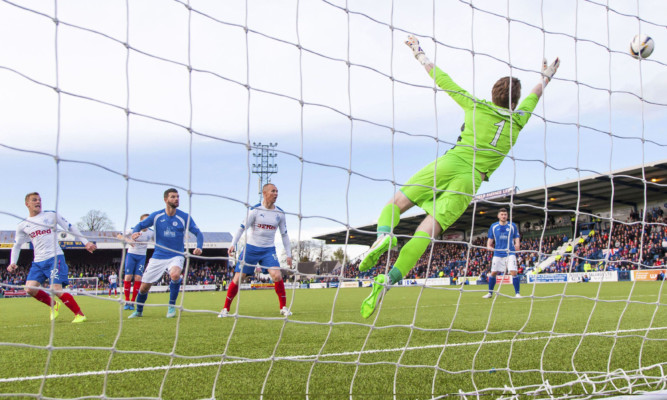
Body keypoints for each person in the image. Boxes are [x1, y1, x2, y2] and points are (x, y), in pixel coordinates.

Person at [358, 35, 560, 318]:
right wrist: (546, 76)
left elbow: (442, 78)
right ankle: (388, 281)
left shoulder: (475, 105)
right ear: (515, 102)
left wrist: (419, 52)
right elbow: (535, 95)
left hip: (449, 163)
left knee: (397, 202)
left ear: (493, 94)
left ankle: (383, 235)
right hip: (470, 180)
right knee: (426, 233)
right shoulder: (519, 120)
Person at [6, 192, 97, 323]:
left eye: (39, 200)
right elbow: (17, 245)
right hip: (38, 262)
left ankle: (79, 314)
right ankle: (54, 305)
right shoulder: (23, 225)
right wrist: (13, 262)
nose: (38, 202)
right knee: (29, 289)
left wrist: (85, 242)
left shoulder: (51, 215)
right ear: (27, 204)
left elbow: (70, 227)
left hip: (55, 258)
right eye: (34, 200)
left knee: (56, 289)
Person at [127, 188, 203, 319]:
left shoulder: (184, 217)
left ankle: (171, 306)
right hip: (158, 256)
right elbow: (140, 225)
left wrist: (199, 247)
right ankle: (139, 310)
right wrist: (135, 232)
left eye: (178, 197)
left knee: (175, 274)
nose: (176, 199)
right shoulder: (156, 216)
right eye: (173, 197)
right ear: (165, 200)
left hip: (176, 254)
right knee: (144, 287)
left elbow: (198, 233)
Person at [219, 183, 293, 318]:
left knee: (277, 275)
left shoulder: (280, 213)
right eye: (273, 191)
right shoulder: (255, 210)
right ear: (264, 193)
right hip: (251, 249)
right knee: (238, 278)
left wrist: (288, 254)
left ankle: (283, 307)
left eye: (277, 191)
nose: (276, 194)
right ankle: (225, 309)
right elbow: (241, 228)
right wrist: (232, 244)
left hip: (268, 250)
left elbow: (284, 234)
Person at [116, 214, 154, 310]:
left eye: (148, 221)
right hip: (131, 255)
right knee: (128, 277)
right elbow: (119, 235)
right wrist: (128, 240)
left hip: (142, 256)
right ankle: (127, 300)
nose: (147, 223)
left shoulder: (151, 233)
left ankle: (133, 301)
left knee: (138, 277)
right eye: (145, 221)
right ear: (141, 222)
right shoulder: (133, 229)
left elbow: (158, 241)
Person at [483, 208, 521, 298]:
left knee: (513, 272)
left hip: (510, 252)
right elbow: (490, 240)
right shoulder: (493, 226)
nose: (504, 216)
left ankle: (517, 293)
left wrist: (517, 244)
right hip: (498, 253)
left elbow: (516, 236)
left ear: (507, 216)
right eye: (502, 214)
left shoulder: (512, 226)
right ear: (498, 216)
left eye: (505, 214)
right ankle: (490, 293)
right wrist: (488, 246)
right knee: (493, 273)